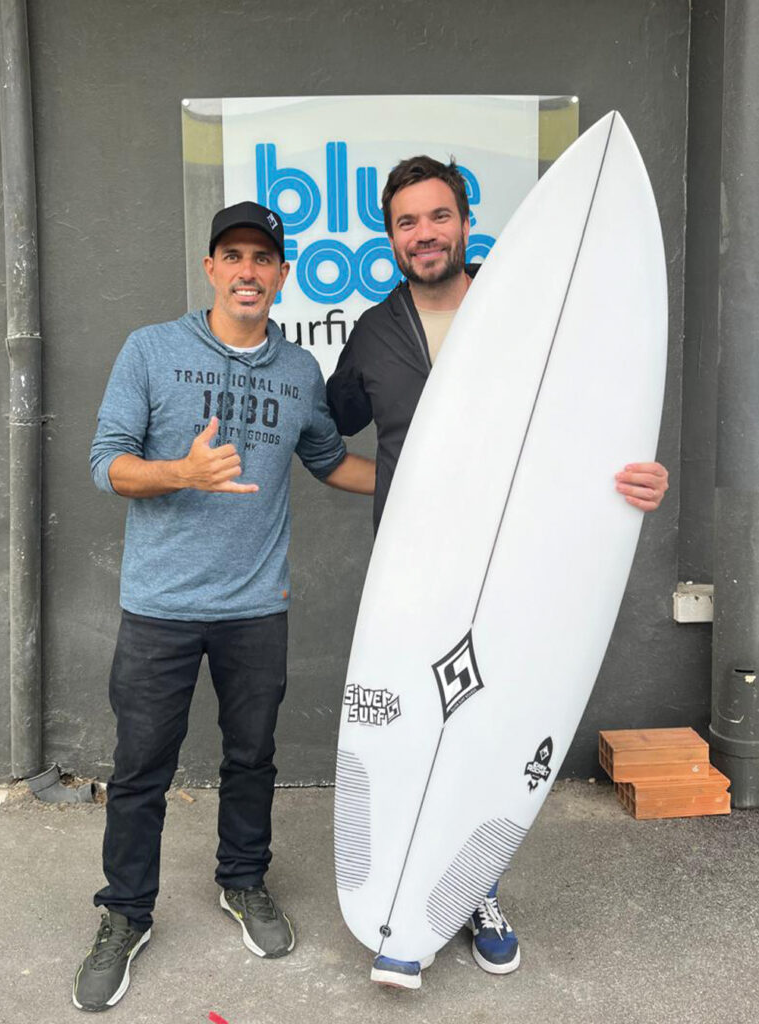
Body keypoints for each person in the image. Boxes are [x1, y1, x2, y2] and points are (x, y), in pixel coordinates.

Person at [326, 155, 670, 989]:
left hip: (523, 571)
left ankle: (474, 892)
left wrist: (635, 483)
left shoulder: (532, 312)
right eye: (406, 222)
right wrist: (394, 488)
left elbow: (601, 416)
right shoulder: (374, 331)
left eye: (437, 216)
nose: (423, 234)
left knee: (491, 728)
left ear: (466, 222)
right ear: (391, 236)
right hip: (415, 575)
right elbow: (328, 433)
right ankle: (407, 894)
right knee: (416, 730)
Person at [74, 201, 375, 1013]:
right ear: (210, 268)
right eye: (232, 256)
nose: (248, 271)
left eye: (263, 259)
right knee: (141, 770)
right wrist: (182, 472)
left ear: (282, 276)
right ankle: (124, 914)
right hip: (159, 607)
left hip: (255, 607)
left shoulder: (298, 373)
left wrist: (416, 481)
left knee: (252, 758)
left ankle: (243, 881)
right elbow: (107, 465)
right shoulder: (151, 350)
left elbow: (329, 462)